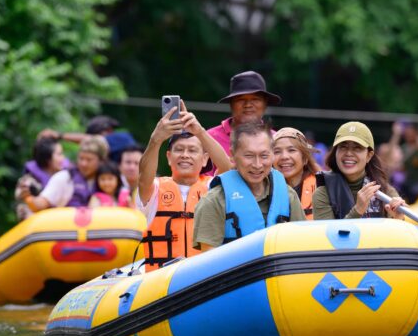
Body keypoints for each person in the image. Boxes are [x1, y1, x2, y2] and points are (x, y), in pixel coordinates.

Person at [136, 102, 233, 271]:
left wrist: (199, 131)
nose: (185, 155)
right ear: (169, 157)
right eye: (179, 150)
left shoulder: (212, 187)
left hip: (203, 275)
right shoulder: (155, 188)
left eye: (192, 150)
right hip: (161, 278)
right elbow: (144, 179)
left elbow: (227, 168)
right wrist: (156, 139)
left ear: (204, 159)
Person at [192, 120, 306, 251]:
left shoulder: (288, 195)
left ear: (272, 155)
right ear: (233, 156)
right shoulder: (213, 201)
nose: (257, 165)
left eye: (264, 156)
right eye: (249, 156)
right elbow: (210, 258)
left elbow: (302, 247)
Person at [312, 121, 406, 220]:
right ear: (335, 152)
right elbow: (326, 230)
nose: (349, 153)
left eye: (357, 148)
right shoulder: (323, 193)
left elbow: (399, 228)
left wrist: (398, 218)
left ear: (369, 156)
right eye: (343, 147)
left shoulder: (385, 191)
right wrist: (358, 210)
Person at [19, 135, 109, 212]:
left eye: (89, 160)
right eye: (81, 158)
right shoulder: (65, 177)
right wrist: (27, 197)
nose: (83, 164)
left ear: (101, 161)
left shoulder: (109, 179)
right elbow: (40, 205)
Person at [205, 70, 281, 158]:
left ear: (265, 104)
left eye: (255, 99)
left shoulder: (277, 139)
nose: (248, 105)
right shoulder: (208, 138)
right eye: (240, 100)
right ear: (231, 104)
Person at [14, 132, 67, 220]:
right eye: (59, 154)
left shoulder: (66, 176)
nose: (63, 158)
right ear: (48, 159)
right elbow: (23, 208)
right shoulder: (28, 183)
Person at [272, 127, 320, 220]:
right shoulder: (263, 190)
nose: (284, 157)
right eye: (277, 151)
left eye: (291, 150)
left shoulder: (324, 189)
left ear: (305, 158)